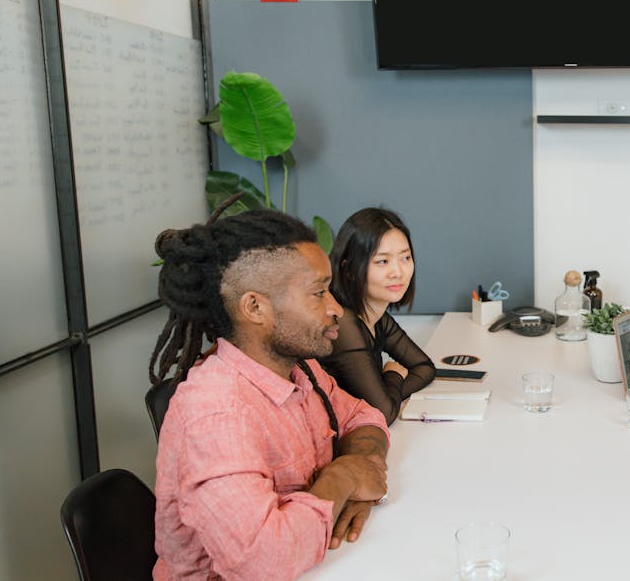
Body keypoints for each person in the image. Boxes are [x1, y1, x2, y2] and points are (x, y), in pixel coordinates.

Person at [148, 207, 391, 580]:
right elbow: (263, 561)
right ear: (255, 307)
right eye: (318, 293)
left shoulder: (299, 369)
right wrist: (343, 479)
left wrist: (363, 463)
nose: (335, 309)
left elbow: (364, 417)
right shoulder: (215, 413)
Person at [320, 207, 435, 424]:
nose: (398, 272)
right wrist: (393, 376)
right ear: (349, 269)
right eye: (382, 261)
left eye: (405, 258)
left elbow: (425, 367)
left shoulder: (377, 316)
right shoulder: (342, 325)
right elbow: (384, 413)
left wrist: (387, 390)